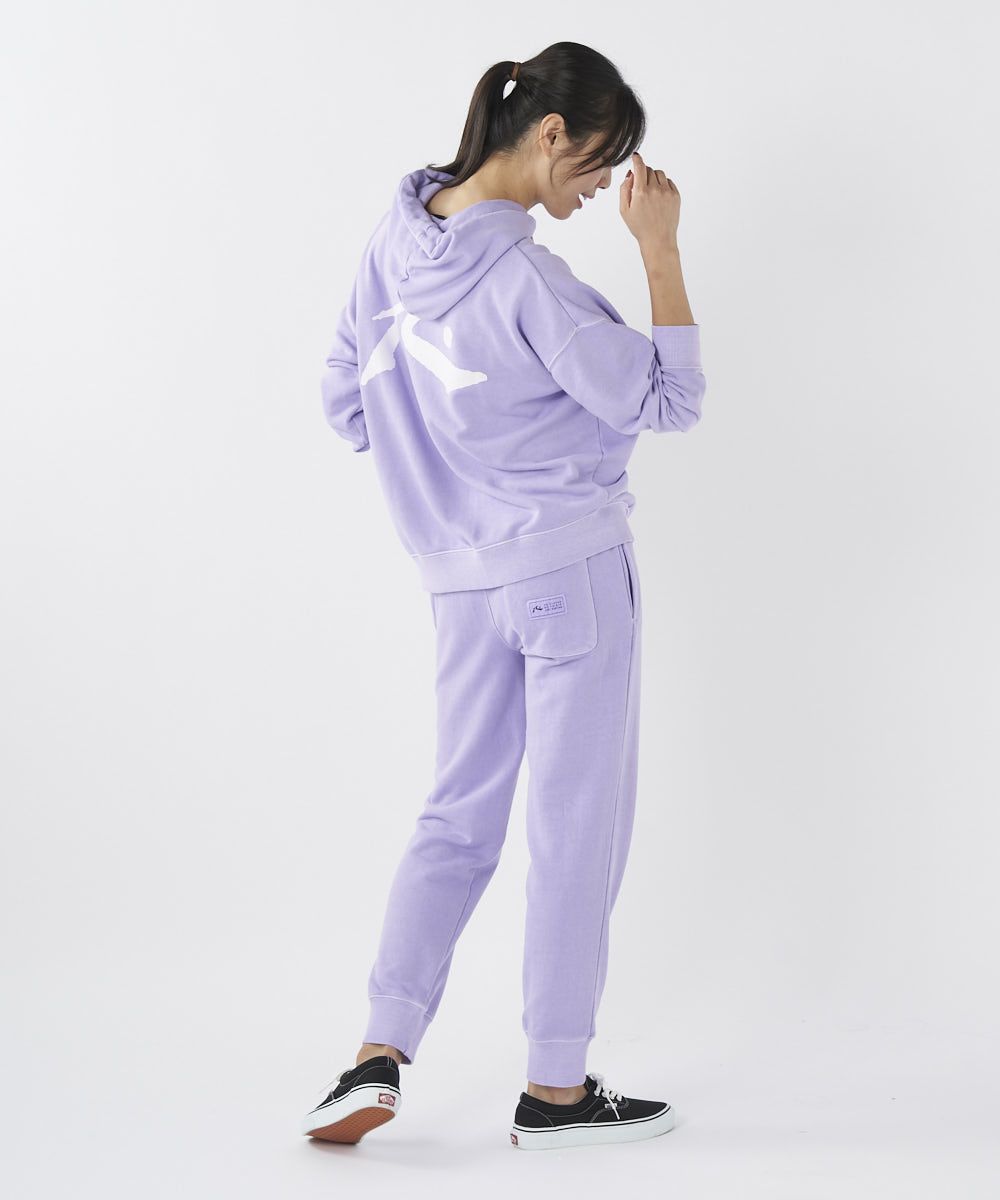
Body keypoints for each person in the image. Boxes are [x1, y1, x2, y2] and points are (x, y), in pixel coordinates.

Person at [301, 40, 706, 1151]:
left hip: (457, 586)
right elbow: (669, 399)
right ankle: (556, 1093)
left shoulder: (392, 244)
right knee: (575, 828)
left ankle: (376, 1053)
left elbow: (345, 402)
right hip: (566, 572)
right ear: (551, 133)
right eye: (598, 162)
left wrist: (452, 463)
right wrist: (660, 250)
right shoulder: (530, 283)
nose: (599, 189)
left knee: (455, 816)